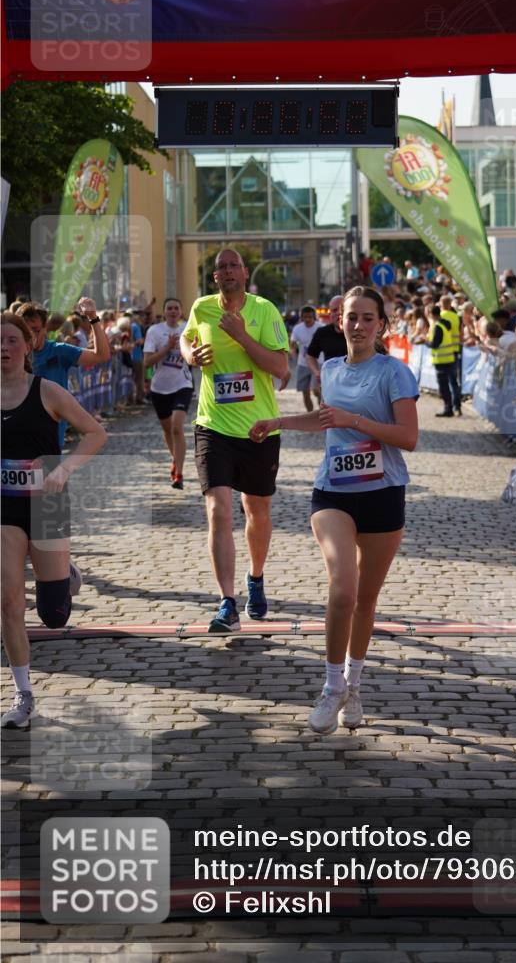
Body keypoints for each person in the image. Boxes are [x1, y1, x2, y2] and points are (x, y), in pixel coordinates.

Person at [250, 286, 419, 734]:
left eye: (368, 318)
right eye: (351, 317)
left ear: (381, 325)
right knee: (343, 588)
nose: (359, 325)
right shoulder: (331, 367)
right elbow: (325, 420)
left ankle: (354, 685)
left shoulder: (395, 373)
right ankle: (330, 686)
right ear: (338, 321)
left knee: (365, 600)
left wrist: (356, 422)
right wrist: (278, 423)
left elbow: (408, 437)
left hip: (384, 493)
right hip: (334, 492)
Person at [1, 313, 107, 728]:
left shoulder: (47, 391)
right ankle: (23, 695)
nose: (5, 347)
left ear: (29, 347)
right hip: (4, 507)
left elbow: (96, 433)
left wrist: (64, 470)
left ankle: (65, 576)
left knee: (54, 614)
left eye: (12, 340)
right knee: (8, 601)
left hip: (46, 504)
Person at [180, 248, 289, 632]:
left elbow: (280, 369)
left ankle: (255, 577)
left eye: (233, 265)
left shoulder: (264, 310)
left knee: (256, 511)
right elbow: (186, 339)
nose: (227, 271)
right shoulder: (202, 308)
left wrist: (242, 337)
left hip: (258, 427)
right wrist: (191, 354)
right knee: (218, 511)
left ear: (244, 273)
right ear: (215, 278)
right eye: (220, 267)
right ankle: (227, 602)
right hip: (213, 424)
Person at [17, 299, 111, 447]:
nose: (30, 335)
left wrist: (93, 318)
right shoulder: (9, 356)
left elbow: (102, 355)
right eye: (25, 331)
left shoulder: (58, 351)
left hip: (49, 440)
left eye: (35, 330)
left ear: (45, 328)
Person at [143, 297, 194, 489]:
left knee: (176, 427)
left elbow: (194, 355)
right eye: (169, 308)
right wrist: (166, 348)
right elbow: (147, 362)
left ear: (181, 312)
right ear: (164, 312)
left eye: (176, 308)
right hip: (160, 388)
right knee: (167, 430)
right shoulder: (154, 331)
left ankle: (178, 473)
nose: (173, 311)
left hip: (183, 384)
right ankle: (175, 459)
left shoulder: (188, 329)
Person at [426, 305, 461, 417]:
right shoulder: (445, 324)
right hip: (449, 358)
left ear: (431, 314)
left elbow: (435, 344)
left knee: (444, 387)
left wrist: (425, 341)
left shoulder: (437, 326)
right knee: (453, 383)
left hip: (441, 360)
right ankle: (456, 407)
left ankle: (448, 408)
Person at [305, 295, 347, 384]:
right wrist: (317, 373)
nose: (339, 313)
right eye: (334, 310)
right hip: (330, 383)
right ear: (330, 314)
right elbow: (310, 356)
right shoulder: (322, 332)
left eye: (342, 309)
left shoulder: (358, 331)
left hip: (355, 383)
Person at [289, 305, 322, 412]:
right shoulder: (298, 328)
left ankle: (321, 409)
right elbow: (293, 343)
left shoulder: (320, 327)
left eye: (310, 317)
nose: (307, 319)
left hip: (318, 363)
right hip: (303, 363)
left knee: (316, 390)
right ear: (301, 317)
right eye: (305, 317)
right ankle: (310, 414)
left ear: (314, 317)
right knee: (305, 392)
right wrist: (292, 351)